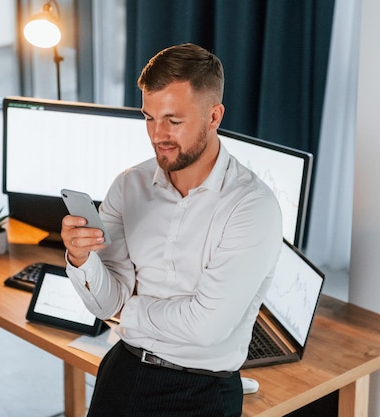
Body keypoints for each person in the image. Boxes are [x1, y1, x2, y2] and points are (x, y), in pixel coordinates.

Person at [61, 43, 282, 417]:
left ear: (214, 117)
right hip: (122, 371)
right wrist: (81, 260)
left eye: (173, 121)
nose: (157, 134)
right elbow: (105, 303)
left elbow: (205, 327)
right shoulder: (128, 186)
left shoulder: (252, 207)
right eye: (149, 117)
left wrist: (128, 310)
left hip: (200, 391)